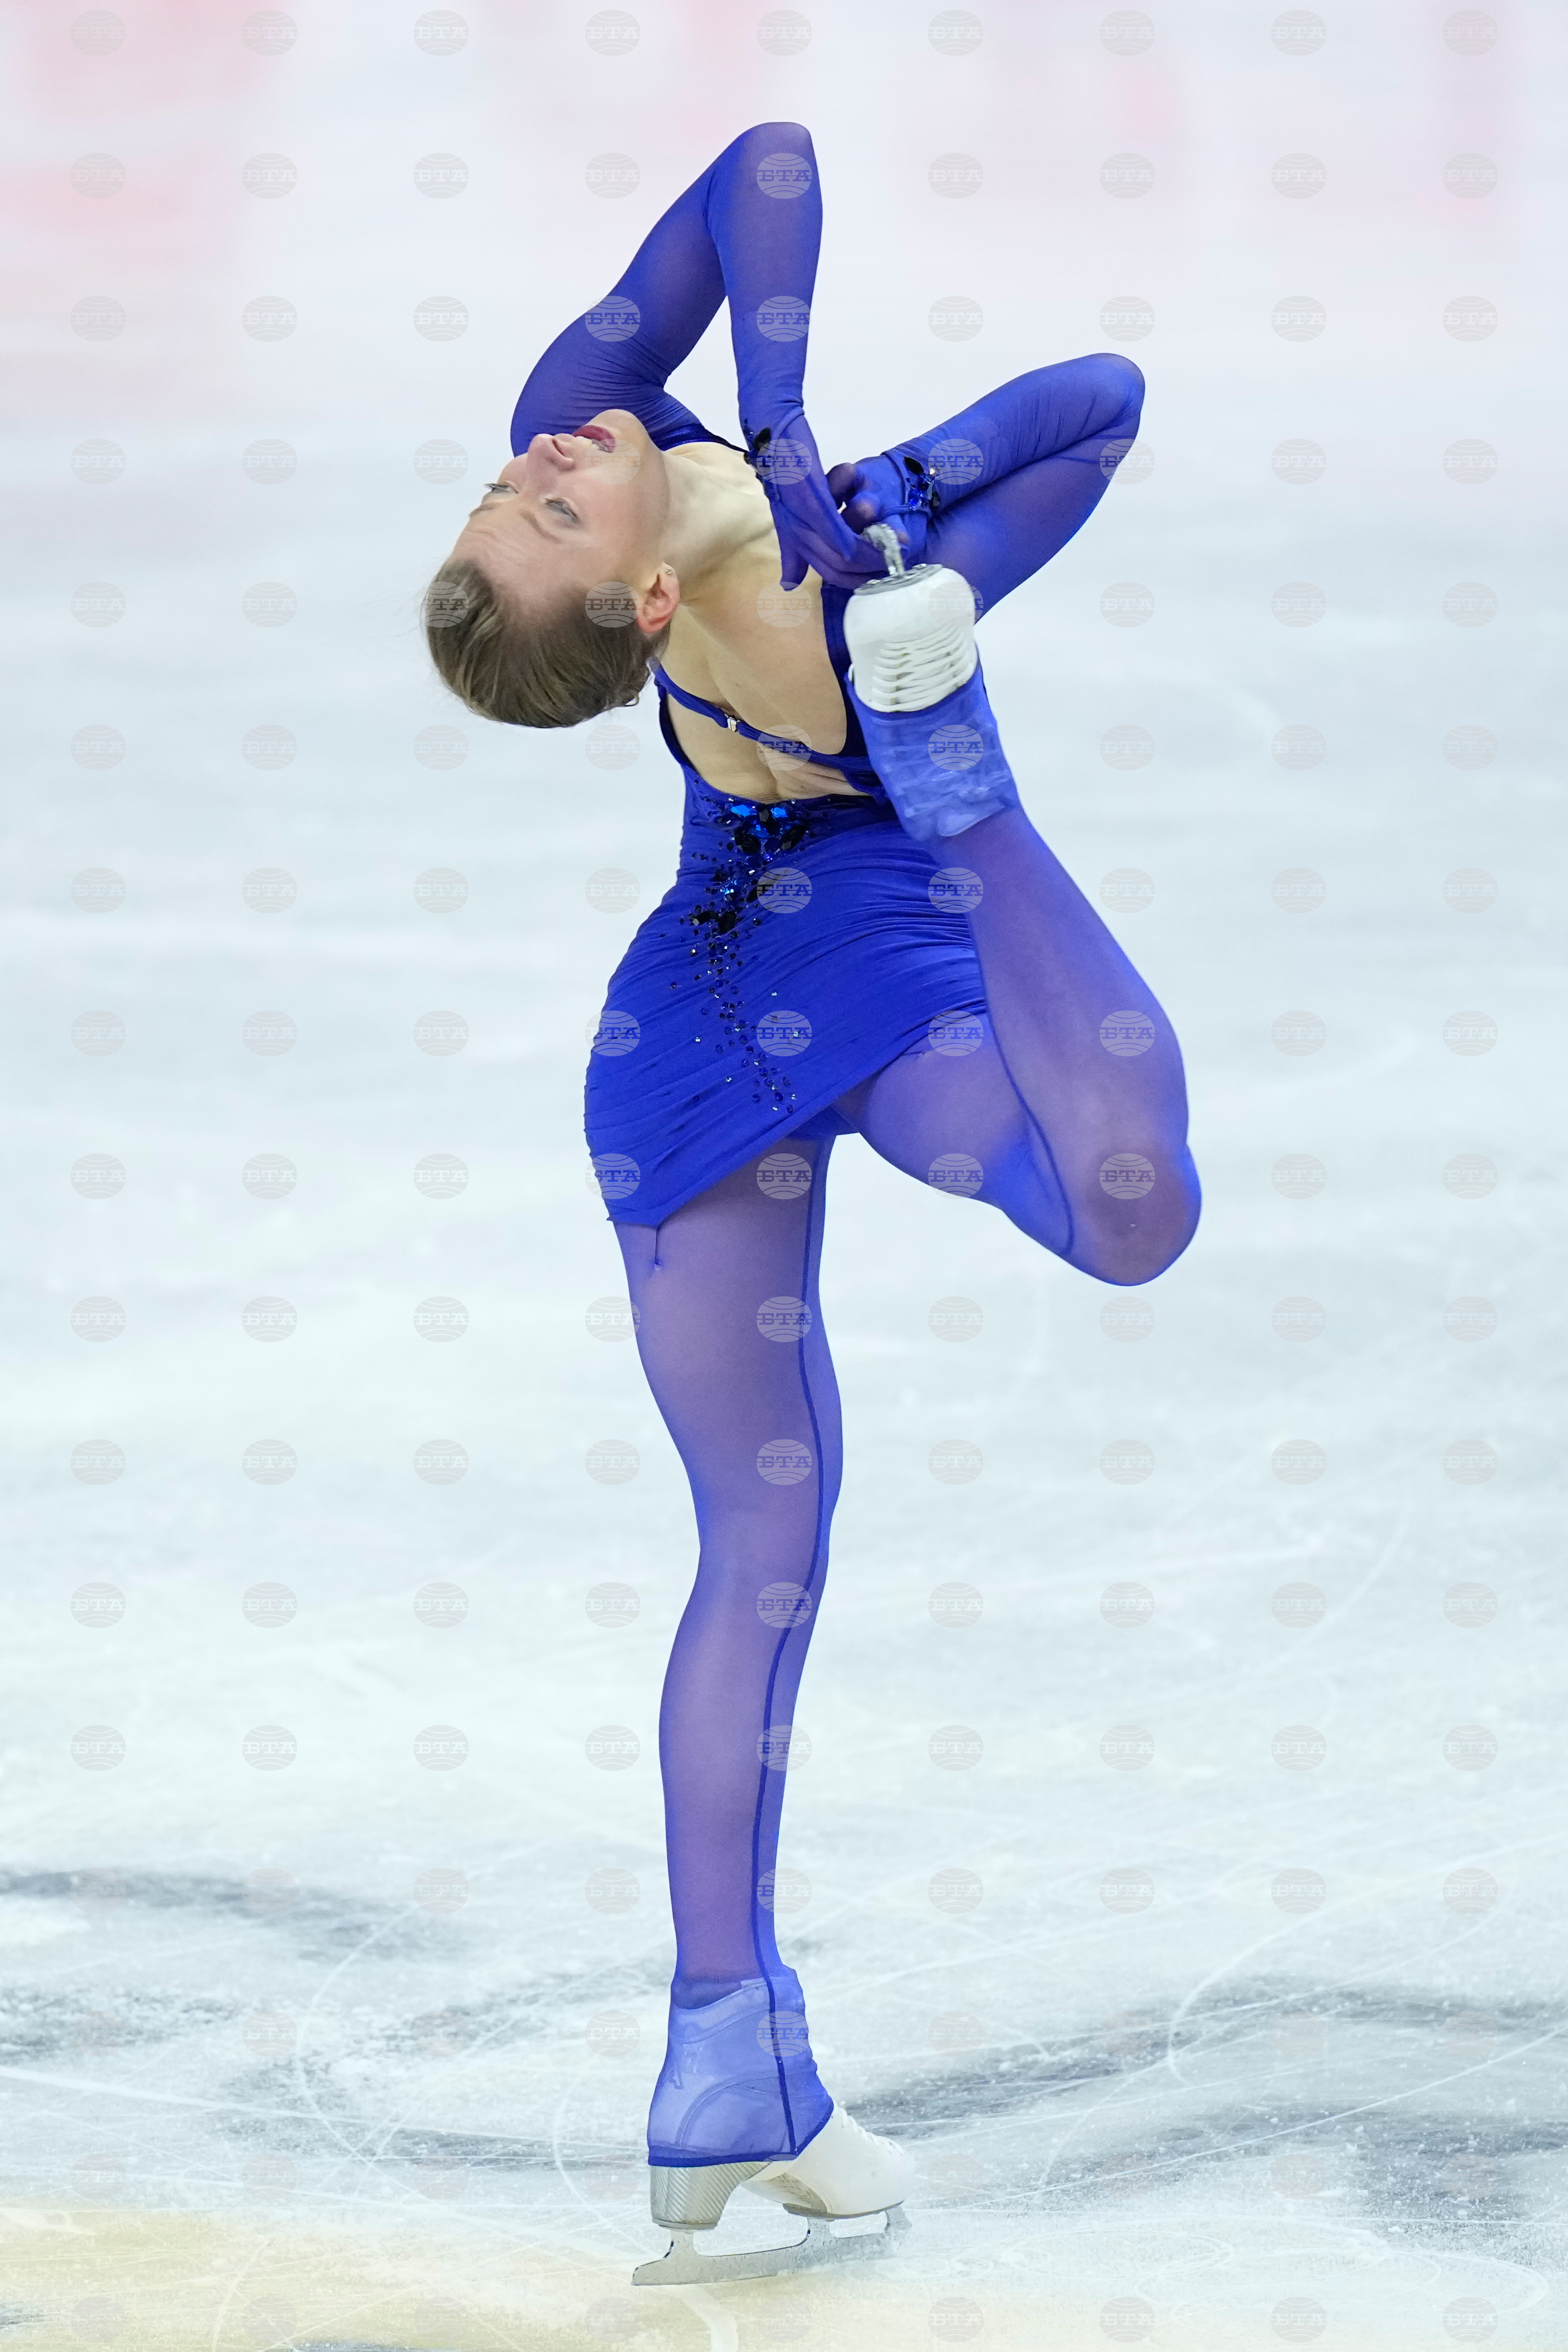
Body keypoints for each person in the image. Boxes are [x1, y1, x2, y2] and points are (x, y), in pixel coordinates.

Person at [423, 123, 1200, 2283]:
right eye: (548, 505)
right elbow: (1102, 405)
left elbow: (762, 166)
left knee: (816, 1504)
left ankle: (723, 2057)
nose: (544, 453)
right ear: (647, 612)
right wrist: (882, 492)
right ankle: (971, 788)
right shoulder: (841, 589)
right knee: (1080, 1253)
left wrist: (805, 440)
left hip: (728, 1003)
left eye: (508, 485)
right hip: (818, 986)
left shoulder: (655, 458)